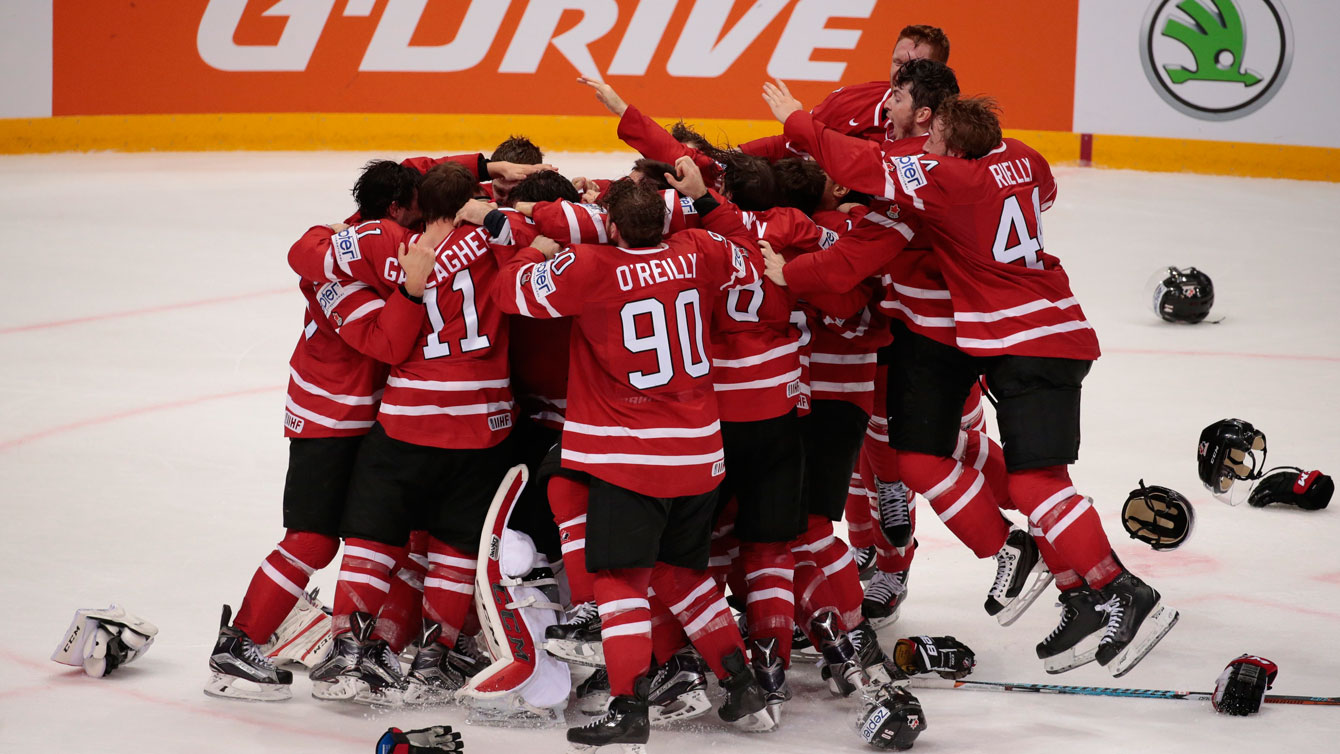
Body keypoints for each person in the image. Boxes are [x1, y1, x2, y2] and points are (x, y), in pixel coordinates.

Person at [768, 94, 1180, 677]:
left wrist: (799, 128)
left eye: (933, 139)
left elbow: (866, 180)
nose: (923, 144)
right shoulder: (1024, 156)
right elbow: (1039, 192)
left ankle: (1118, 590)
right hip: (1018, 335)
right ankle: (1080, 594)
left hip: (1021, 338)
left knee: (1035, 482)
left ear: (951, 144)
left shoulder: (949, 180)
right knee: (956, 463)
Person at [498, 158, 777, 750]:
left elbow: (511, 294)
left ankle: (628, 707)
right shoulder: (700, 249)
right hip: (701, 452)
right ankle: (741, 679)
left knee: (619, 581)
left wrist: (535, 250)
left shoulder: (592, 266)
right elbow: (746, 253)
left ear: (613, 227)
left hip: (634, 458)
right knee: (680, 574)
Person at [205, 160, 436, 701]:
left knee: (386, 536)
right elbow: (385, 344)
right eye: (415, 217)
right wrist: (413, 290)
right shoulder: (340, 279)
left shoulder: (351, 240)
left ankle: (362, 646)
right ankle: (240, 643)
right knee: (312, 539)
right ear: (396, 211)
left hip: (351, 416)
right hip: (333, 420)